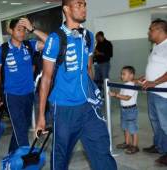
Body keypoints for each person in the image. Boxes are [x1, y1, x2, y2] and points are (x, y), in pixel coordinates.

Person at [36, 0, 117, 169]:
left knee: (102, 150)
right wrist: (41, 116)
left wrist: (93, 93)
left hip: (88, 107)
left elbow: (89, 68)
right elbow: (46, 78)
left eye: (85, 5)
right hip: (64, 109)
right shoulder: (55, 39)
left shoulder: (88, 36)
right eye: (79, 5)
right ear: (66, 9)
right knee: (60, 157)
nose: (84, 9)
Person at [0, 18, 47, 153]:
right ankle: (25, 160)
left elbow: (50, 43)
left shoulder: (30, 45)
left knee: (23, 127)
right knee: (21, 130)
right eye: (18, 29)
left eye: (24, 29)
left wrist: (33, 29)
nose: (22, 32)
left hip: (28, 93)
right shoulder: (2, 50)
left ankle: (12, 155)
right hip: (11, 95)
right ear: (11, 31)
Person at [139, 19, 167, 166]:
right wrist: (146, 78)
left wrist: (155, 82)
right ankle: (159, 146)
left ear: (160, 30)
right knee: (155, 122)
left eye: (151, 29)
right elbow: (157, 67)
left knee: (165, 124)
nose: (149, 32)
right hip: (153, 92)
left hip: (164, 94)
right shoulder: (156, 46)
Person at [110, 66, 139, 154]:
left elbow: (127, 98)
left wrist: (115, 94)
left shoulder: (132, 86)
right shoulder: (125, 85)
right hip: (124, 110)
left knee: (132, 128)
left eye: (124, 74)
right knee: (125, 127)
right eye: (121, 74)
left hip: (131, 110)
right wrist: (117, 94)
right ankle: (127, 143)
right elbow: (122, 96)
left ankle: (135, 146)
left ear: (131, 75)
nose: (121, 76)